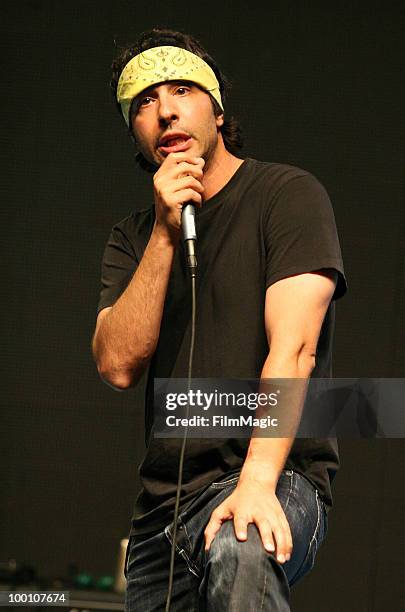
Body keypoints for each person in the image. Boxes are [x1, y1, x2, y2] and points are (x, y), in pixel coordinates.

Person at [92, 27, 347, 611]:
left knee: (243, 548)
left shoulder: (287, 195)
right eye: (144, 102)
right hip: (162, 510)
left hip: (273, 473)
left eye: (181, 88)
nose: (165, 111)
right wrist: (163, 231)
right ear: (134, 131)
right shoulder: (132, 237)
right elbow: (117, 364)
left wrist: (257, 483)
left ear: (218, 108)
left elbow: (296, 347)